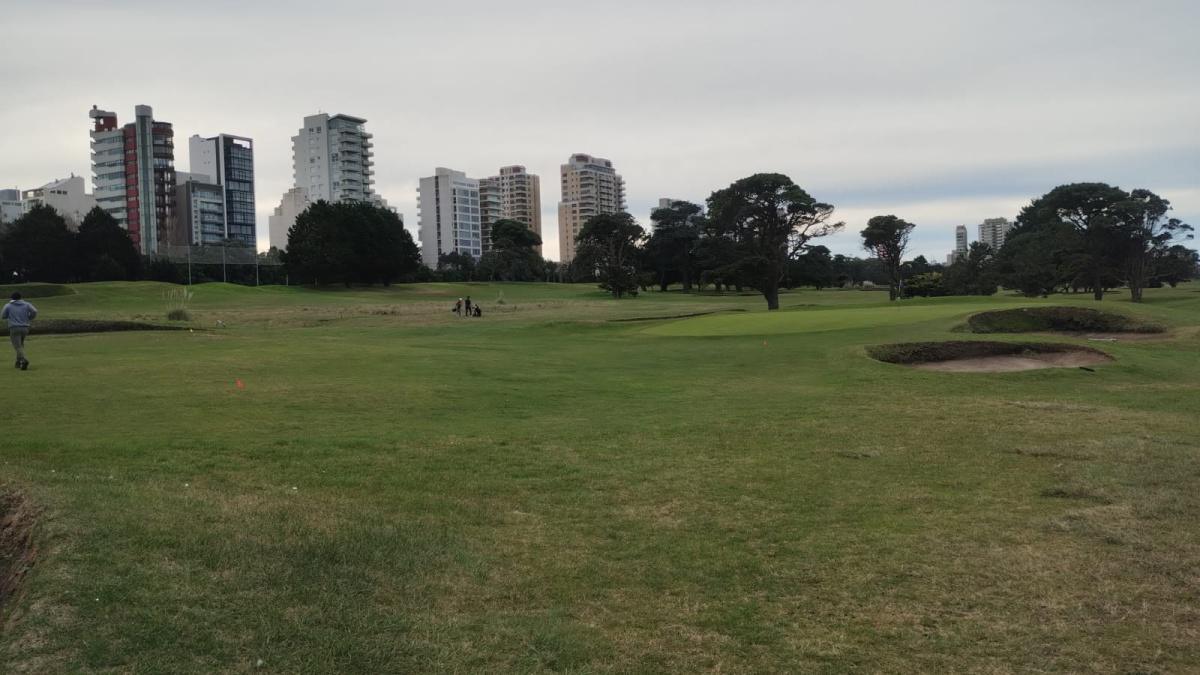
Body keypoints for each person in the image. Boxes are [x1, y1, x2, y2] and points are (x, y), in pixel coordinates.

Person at [2, 292, 38, 371]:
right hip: (25, 327)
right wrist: (29, 318)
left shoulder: (8, 305)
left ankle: (23, 360)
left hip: (14, 327)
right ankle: (18, 363)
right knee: (21, 345)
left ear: (12, 298)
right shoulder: (26, 304)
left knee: (17, 346)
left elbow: (3, 316)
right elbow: (34, 311)